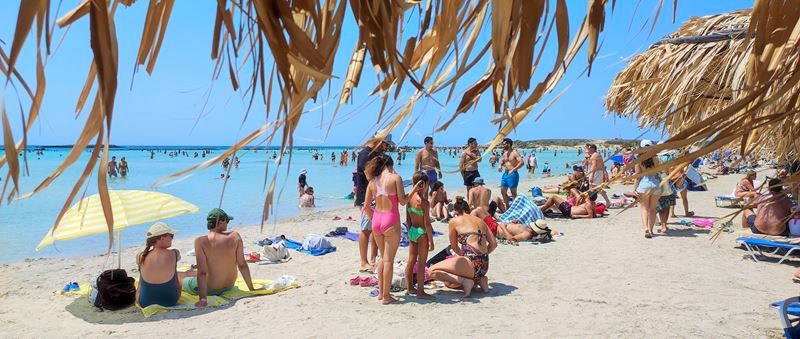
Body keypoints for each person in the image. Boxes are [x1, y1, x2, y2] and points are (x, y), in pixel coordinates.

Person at [363, 154, 423, 304]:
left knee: (383, 258)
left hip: (377, 220)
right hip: (391, 220)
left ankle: (381, 294)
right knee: (389, 259)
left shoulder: (372, 182)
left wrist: (374, 220)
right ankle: (386, 296)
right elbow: (403, 201)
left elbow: (365, 207)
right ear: (389, 165)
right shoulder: (395, 178)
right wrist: (414, 189)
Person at [184, 208, 255, 307]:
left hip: (211, 289)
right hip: (229, 286)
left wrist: (203, 299)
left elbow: (202, 273)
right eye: (227, 221)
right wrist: (251, 289)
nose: (228, 224)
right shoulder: (235, 236)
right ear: (221, 221)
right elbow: (242, 265)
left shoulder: (201, 241)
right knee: (191, 273)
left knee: (180, 276)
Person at [428, 197, 497, 297]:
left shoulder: (454, 221)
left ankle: (466, 281)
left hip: (471, 261)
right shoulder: (481, 221)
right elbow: (494, 244)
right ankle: (480, 280)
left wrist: (465, 257)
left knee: (432, 271)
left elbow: (454, 247)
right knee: (449, 283)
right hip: (484, 265)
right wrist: (482, 255)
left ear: (456, 212)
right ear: (468, 209)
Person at [355, 135, 393, 273]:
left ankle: (373, 258)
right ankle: (363, 262)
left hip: (377, 196)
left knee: (377, 229)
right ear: (378, 141)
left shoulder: (377, 154)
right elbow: (369, 176)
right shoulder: (365, 155)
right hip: (366, 197)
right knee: (366, 230)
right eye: (385, 144)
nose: (386, 147)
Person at [136, 222, 188, 308]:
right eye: (171, 236)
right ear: (161, 238)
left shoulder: (140, 256)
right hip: (170, 300)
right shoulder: (174, 253)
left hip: (144, 302)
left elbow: (140, 287)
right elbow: (177, 284)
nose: (172, 239)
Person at [404, 172, 434, 299]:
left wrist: (410, 231)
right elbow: (427, 223)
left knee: (411, 261)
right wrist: (431, 241)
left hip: (412, 231)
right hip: (422, 233)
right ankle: (421, 292)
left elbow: (408, 219)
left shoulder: (409, 198)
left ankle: (410, 288)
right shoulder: (424, 203)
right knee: (422, 263)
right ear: (425, 185)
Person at [633, 139, 662, 238]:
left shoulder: (639, 160)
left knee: (644, 208)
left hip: (644, 184)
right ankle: (651, 229)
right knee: (652, 209)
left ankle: (645, 228)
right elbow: (659, 171)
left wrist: (634, 189)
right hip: (655, 183)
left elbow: (637, 176)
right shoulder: (656, 158)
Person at [498, 138, 523, 204]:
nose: (503, 146)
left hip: (513, 174)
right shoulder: (505, 153)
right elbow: (502, 161)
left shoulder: (515, 153)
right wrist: (500, 165)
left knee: (513, 192)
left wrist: (513, 169)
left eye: (504, 144)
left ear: (508, 144)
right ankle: (507, 207)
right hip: (505, 174)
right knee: (503, 191)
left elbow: (521, 162)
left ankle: (515, 207)